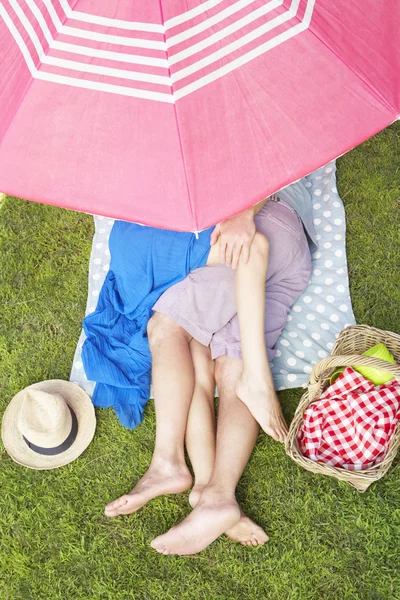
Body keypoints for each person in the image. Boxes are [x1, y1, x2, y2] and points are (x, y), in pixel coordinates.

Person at [103, 193, 315, 555]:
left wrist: (244, 211)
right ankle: (213, 494)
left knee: (166, 328)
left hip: (262, 225)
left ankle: (168, 461)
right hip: (289, 256)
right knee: (224, 364)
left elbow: (253, 235)